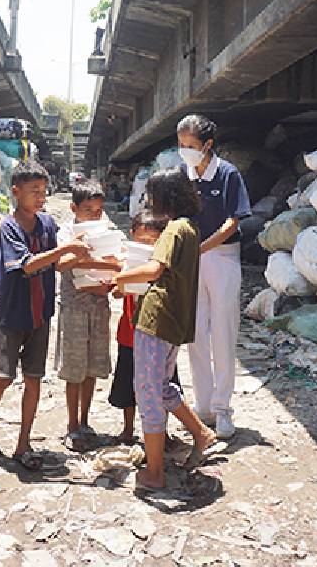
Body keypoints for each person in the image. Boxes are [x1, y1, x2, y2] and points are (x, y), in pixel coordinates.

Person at [0, 161, 90, 471]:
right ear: (16, 192)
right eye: (34, 191)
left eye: (43, 191)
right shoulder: (9, 227)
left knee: (34, 379)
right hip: (13, 314)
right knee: (3, 376)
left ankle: (24, 442)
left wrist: (81, 254)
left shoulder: (47, 224)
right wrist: (65, 250)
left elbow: (57, 262)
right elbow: (27, 265)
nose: (41, 197)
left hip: (41, 314)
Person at [110, 169, 216, 490]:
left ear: (164, 197)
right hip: (173, 322)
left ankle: (155, 473)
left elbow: (155, 269)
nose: (149, 200)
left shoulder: (172, 229)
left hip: (155, 321)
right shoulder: (191, 229)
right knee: (163, 385)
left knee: (148, 393)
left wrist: (120, 277)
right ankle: (200, 432)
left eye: (151, 194)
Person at [176, 114, 251, 439]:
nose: (185, 151)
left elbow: (232, 223)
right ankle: (203, 404)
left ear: (207, 145)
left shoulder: (229, 174)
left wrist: (201, 248)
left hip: (221, 259)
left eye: (190, 146)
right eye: (181, 145)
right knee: (194, 333)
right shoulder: (184, 174)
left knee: (222, 332)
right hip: (193, 260)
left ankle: (223, 409)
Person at [54, 179, 121, 448]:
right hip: (74, 308)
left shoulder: (108, 230)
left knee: (92, 367)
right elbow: (61, 262)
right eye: (88, 209)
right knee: (74, 369)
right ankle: (72, 424)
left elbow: (118, 260)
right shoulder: (66, 233)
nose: (94, 215)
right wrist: (88, 254)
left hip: (99, 306)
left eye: (98, 210)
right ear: (73, 208)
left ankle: (84, 420)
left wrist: (107, 271)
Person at [108, 212, 167, 444]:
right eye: (142, 241)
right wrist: (122, 285)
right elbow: (116, 292)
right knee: (128, 384)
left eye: (153, 242)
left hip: (156, 333)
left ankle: (161, 431)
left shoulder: (161, 265)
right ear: (132, 235)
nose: (147, 246)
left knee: (162, 385)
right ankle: (128, 428)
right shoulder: (128, 261)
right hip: (129, 334)